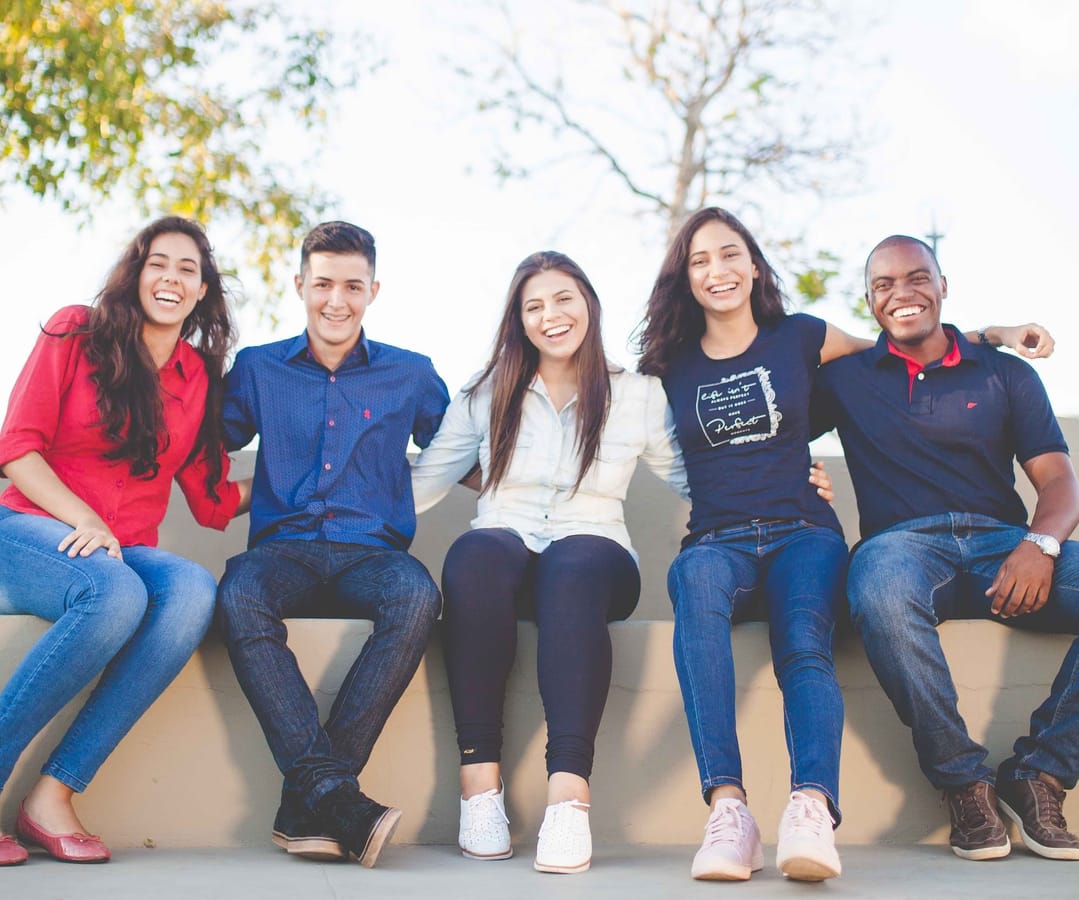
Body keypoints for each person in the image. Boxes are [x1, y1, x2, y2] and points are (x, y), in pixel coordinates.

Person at [634, 207, 1049, 883]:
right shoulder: (666, 366)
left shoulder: (801, 336)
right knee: (695, 592)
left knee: (803, 641)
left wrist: (992, 335)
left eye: (730, 254)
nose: (718, 270)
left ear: (754, 265)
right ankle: (729, 810)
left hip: (803, 531)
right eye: (700, 260)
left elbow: (900, 345)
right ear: (683, 276)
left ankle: (810, 808)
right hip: (715, 539)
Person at [412, 251, 744, 874]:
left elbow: (695, 479)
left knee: (572, 565)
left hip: (596, 555)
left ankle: (568, 797)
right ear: (519, 321)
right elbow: (422, 483)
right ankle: (480, 787)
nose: (551, 315)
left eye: (563, 298)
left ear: (588, 302)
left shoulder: (637, 394)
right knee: (474, 554)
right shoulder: (486, 393)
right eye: (533, 306)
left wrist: (783, 486)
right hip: (505, 551)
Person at [812, 234, 1079, 862]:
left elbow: (1059, 480)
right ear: (870, 302)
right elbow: (768, 404)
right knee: (878, 589)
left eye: (916, 278)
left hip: (1004, 547)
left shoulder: (1005, 372)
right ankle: (964, 783)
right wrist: (799, 475)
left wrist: (1040, 544)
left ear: (942, 286)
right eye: (883, 285)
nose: (901, 294)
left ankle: (1039, 773)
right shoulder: (845, 379)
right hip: (901, 549)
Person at [0, 217, 249, 866]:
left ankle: (52, 796)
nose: (171, 278)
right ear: (136, 273)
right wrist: (84, 519)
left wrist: (311, 478)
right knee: (114, 593)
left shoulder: (197, 376)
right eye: (158, 263)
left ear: (202, 290)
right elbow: (17, 449)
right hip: (27, 528)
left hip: (121, 548)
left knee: (192, 591)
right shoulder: (75, 331)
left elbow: (213, 499)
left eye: (188, 269)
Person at [215, 221, 449, 869]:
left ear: (374, 290)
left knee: (417, 597)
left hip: (373, 555)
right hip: (281, 552)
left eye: (352, 285)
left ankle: (312, 801)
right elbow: (202, 442)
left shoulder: (412, 373)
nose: (336, 301)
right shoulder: (257, 368)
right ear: (300, 285)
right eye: (323, 284)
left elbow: (465, 450)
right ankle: (337, 799)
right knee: (237, 594)